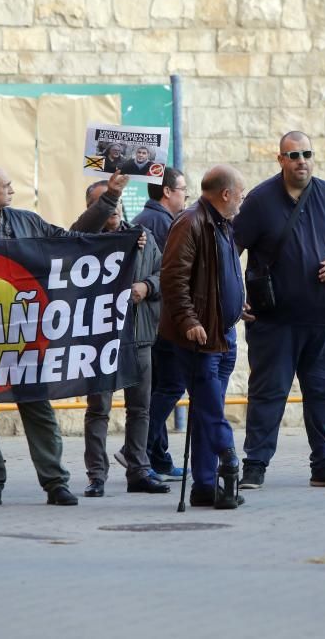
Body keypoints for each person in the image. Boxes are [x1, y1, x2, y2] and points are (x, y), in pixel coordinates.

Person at [0, 165, 117, 507]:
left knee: (36, 405)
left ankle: (55, 483)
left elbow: (71, 241)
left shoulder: (26, 221)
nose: (12, 190)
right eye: (6, 185)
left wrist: (110, 205)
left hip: (25, 332)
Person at [234, 131, 325, 490]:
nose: (300, 160)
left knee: (324, 395)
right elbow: (231, 248)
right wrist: (235, 296)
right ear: (280, 160)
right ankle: (255, 465)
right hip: (274, 321)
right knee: (268, 393)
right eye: (292, 155)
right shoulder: (260, 200)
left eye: (306, 153)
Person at [70, 180, 169, 497]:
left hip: (138, 335)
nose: (111, 206)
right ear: (91, 208)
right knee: (98, 409)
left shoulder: (142, 236)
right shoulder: (81, 240)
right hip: (99, 341)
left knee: (140, 408)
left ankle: (138, 470)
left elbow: (165, 272)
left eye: (115, 199)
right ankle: (96, 475)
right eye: (103, 202)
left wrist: (147, 287)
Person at [160, 165, 247, 508]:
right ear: (226, 194)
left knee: (205, 409)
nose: (242, 198)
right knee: (210, 406)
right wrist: (187, 320)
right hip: (201, 336)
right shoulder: (190, 222)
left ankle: (205, 484)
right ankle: (227, 454)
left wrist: (238, 302)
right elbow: (173, 278)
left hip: (223, 333)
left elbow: (218, 275)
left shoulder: (222, 224)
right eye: (240, 192)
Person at [126, 167, 189, 482]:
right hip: (160, 317)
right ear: (167, 191)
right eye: (182, 189)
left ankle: (157, 456)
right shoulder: (159, 223)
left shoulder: (153, 220)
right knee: (172, 384)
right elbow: (169, 272)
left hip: (156, 316)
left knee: (160, 387)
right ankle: (135, 449)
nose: (185, 195)